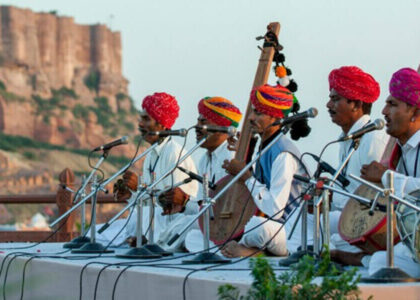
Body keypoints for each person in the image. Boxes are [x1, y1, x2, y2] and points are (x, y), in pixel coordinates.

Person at [97, 92, 199, 251]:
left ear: (162, 125)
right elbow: (146, 201)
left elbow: (173, 206)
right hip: (148, 221)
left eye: (146, 119)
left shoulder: (174, 154)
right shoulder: (152, 154)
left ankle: (152, 241)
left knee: (140, 222)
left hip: (168, 225)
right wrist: (130, 195)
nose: (140, 124)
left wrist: (140, 186)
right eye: (140, 118)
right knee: (96, 234)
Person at [221, 84, 311, 258]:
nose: (251, 118)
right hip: (273, 226)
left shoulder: (282, 153)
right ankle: (251, 249)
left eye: (258, 113)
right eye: (252, 112)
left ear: (276, 118)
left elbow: (274, 208)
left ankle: (253, 252)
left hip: (290, 230)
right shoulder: (265, 146)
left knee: (257, 226)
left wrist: (246, 176)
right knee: (196, 237)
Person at [358, 68, 420, 277]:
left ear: (415, 113)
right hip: (414, 242)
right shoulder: (400, 150)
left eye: (392, 104)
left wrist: (386, 177)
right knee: (380, 262)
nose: (384, 111)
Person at [326, 66, 388, 234]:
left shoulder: (374, 138)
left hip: (361, 223)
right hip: (341, 217)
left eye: (335, 99)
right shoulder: (346, 138)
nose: (328, 104)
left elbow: (377, 197)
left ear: (357, 104)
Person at [184, 96, 243, 252]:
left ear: (222, 128)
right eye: (198, 122)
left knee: (184, 228)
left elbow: (227, 209)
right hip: (210, 222)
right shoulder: (204, 159)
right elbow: (201, 204)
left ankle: (231, 249)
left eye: (203, 122)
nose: (196, 127)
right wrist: (182, 204)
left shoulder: (231, 158)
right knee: (184, 230)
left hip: (228, 224)